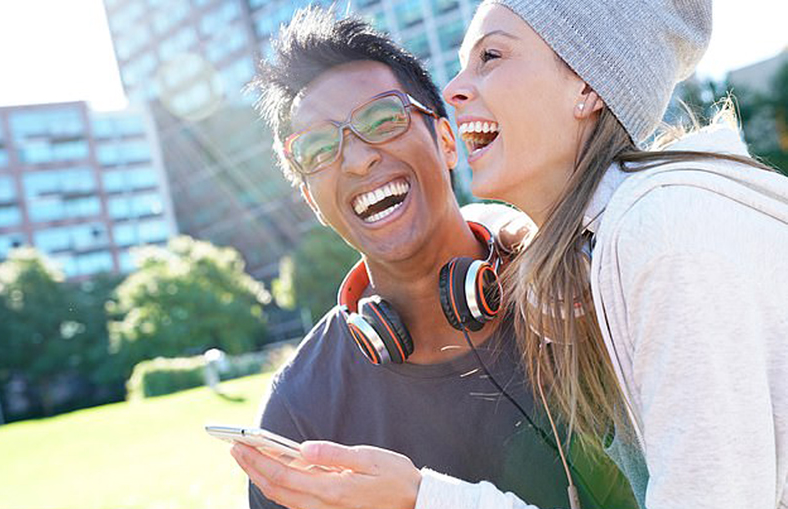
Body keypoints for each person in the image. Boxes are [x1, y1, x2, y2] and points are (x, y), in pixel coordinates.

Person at [231, 1, 788, 509]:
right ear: (309, 199)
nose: (355, 160)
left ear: (447, 143)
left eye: (383, 119)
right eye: (318, 149)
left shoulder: (624, 260)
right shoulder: (300, 411)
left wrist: (422, 501)